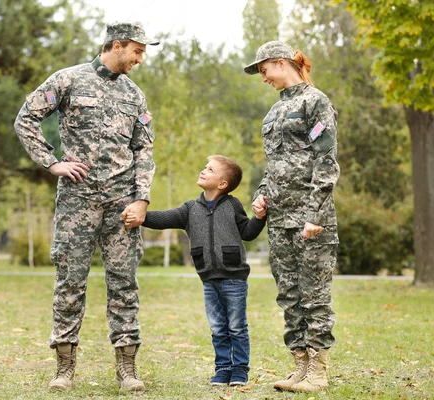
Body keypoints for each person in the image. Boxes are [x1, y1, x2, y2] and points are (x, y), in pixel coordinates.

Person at [13, 22, 159, 392]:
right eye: (137, 51)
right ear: (117, 45)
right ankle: (64, 368)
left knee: (124, 284)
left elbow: (144, 149)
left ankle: (127, 370)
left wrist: (142, 197)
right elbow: (26, 118)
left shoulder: (134, 95)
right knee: (69, 284)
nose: (140, 59)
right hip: (78, 202)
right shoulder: (68, 80)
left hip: (122, 205)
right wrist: (51, 162)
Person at [243, 41, 340, 393]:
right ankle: (299, 366)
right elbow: (276, 164)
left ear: (280, 63)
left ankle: (318, 371)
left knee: (314, 295)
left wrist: (316, 213)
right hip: (280, 219)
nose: (263, 77)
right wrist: (262, 194)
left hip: (310, 220)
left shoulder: (316, 102)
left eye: (264, 70)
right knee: (290, 295)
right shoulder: (273, 113)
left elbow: (326, 161)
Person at [125, 155, 266, 386]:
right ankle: (222, 369)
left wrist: (259, 218)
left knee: (237, 327)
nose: (203, 171)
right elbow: (163, 218)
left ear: (222, 184)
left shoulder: (232, 205)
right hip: (208, 279)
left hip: (234, 279)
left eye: (209, 169)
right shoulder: (190, 209)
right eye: (204, 167)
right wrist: (140, 216)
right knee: (218, 327)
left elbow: (248, 232)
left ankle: (240, 369)